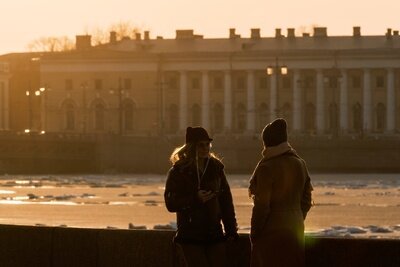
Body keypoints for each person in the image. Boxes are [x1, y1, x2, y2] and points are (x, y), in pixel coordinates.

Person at [164, 126, 238, 267]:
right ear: (191, 147)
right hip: (190, 234)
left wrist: (231, 230)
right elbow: (171, 203)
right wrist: (195, 199)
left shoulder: (216, 168)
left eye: (207, 144)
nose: (205, 148)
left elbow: (226, 202)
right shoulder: (178, 171)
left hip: (214, 232)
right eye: (201, 145)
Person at [249, 118, 313, 267]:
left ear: (267, 142)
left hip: (271, 233)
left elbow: (262, 207)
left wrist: (255, 233)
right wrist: (295, 216)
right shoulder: (300, 163)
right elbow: (306, 200)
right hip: (295, 230)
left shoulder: (266, 167)